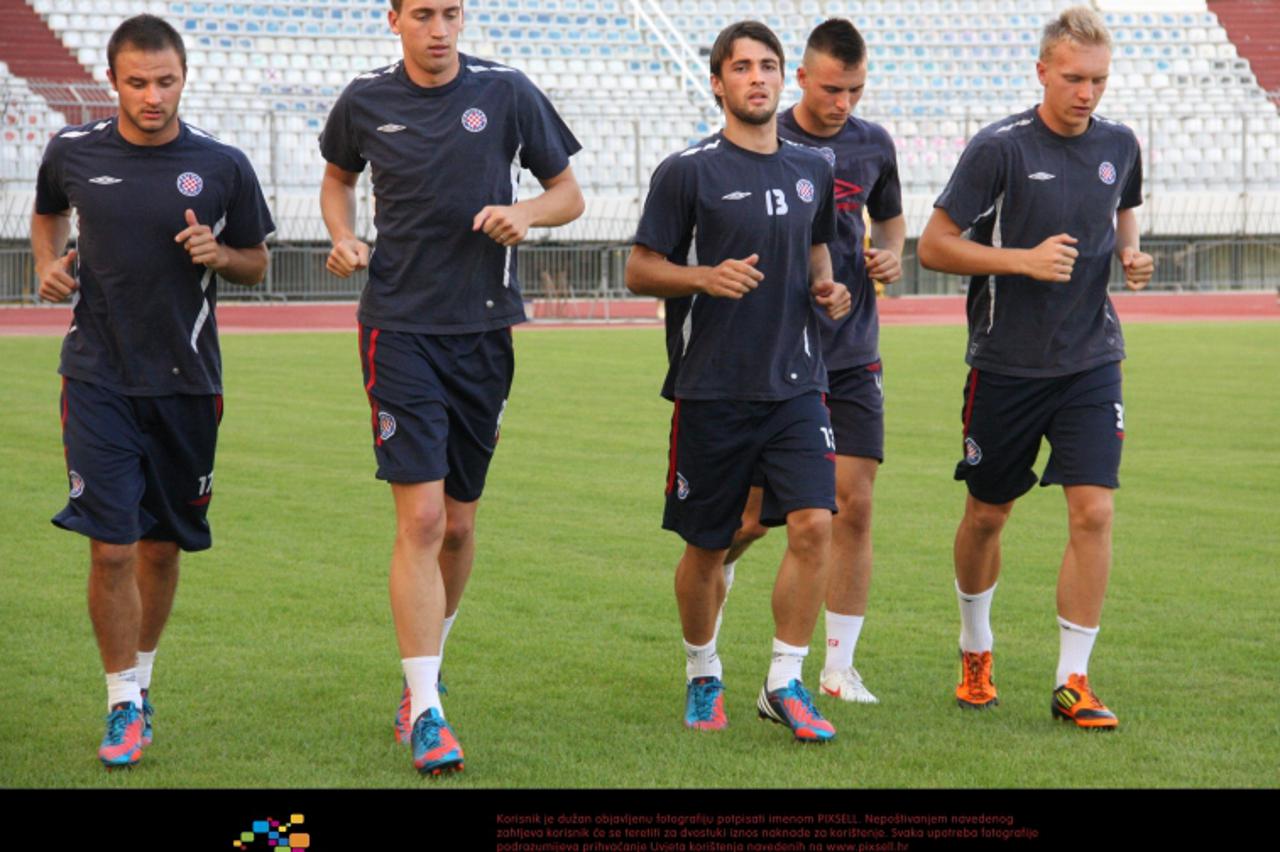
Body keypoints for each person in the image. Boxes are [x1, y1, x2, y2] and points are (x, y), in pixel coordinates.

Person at [318, 0, 583, 775]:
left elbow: (569, 193)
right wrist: (342, 236)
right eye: (424, 13)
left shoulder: (506, 91)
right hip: (397, 328)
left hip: (484, 331)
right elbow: (337, 181)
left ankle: (425, 669)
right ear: (393, 18)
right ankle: (428, 708)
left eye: (452, 13)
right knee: (425, 518)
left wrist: (524, 211)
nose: (440, 29)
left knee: (461, 528)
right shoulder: (364, 99)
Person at [32, 14, 273, 768]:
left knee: (161, 552)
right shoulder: (72, 152)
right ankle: (120, 704)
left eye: (165, 81)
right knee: (111, 549)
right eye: (136, 82)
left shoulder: (223, 164)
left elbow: (257, 264)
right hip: (98, 375)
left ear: (184, 79)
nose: (151, 96)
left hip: (188, 382)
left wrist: (219, 252)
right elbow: (46, 215)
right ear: (111, 81)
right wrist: (47, 263)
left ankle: (142, 681)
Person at [917, 5, 1154, 729]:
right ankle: (975, 647)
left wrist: (1131, 253)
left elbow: (1123, 209)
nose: (1088, 93)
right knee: (988, 514)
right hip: (1006, 364)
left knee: (1095, 511)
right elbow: (932, 246)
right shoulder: (1000, 149)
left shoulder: (1120, 143)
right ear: (1043, 71)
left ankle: (1073, 679)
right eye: (1075, 78)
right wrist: (1019, 260)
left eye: (1099, 80)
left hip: (1091, 360)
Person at [625, 20, 852, 743]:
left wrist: (828, 288)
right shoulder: (688, 171)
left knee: (816, 523)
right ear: (719, 82)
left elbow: (818, 246)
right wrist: (701, 277)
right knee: (708, 544)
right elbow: (638, 270)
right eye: (743, 67)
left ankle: (784, 681)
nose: (758, 78)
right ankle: (702, 673)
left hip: (797, 382)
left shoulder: (814, 165)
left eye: (769, 66)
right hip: (712, 388)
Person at [717, 18, 905, 706]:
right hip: (776, 358)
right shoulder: (768, 138)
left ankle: (837, 666)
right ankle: (721, 563)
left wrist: (891, 253)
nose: (843, 103)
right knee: (749, 519)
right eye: (831, 89)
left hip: (852, 353)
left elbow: (888, 223)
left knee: (851, 507)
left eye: (854, 90)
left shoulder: (872, 144)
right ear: (801, 79)